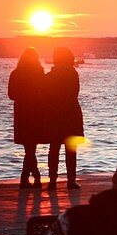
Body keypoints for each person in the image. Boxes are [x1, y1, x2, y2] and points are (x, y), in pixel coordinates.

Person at [45, 47, 84, 190]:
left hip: (54, 115)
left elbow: (45, 96)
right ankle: (71, 180)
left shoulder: (49, 76)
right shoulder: (73, 74)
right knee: (71, 149)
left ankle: (52, 180)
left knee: (54, 148)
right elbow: (75, 93)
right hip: (71, 114)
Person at [8, 47, 45, 188]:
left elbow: (11, 95)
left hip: (22, 113)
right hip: (36, 113)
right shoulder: (39, 72)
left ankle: (29, 178)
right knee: (31, 148)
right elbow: (43, 92)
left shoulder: (15, 74)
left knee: (28, 148)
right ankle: (33, 177)